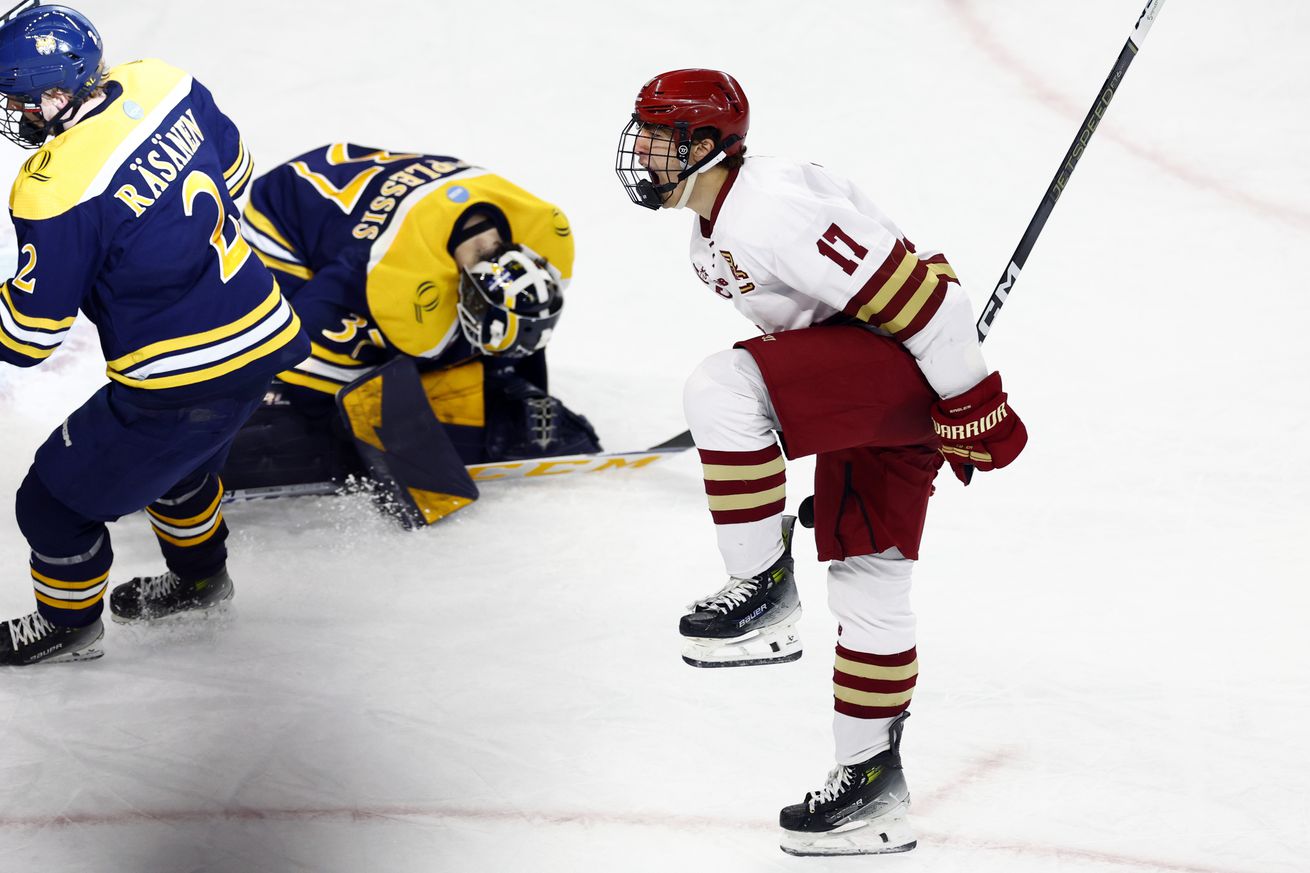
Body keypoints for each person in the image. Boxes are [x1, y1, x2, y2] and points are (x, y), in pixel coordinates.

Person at [615, 69, 1027, 855]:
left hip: (905, 362)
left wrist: (974, 400)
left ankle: (761, 589)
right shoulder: (711, 232)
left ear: (705, 146)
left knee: (723, 385)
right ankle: (870, 788)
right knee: (870, 579)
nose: (643, 153)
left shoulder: (770, 211)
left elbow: (925, 304)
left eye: (659, 139)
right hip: (870, 388)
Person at [0, 2, 309, 665]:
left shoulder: (52, 187)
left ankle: (68, 627)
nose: (17, 113)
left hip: (179, 378)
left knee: (50, 504)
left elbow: (28, 337)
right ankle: (201, 581)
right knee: (183, 472)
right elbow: (237, 172)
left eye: (22, 100)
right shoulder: (161, 82)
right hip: (263, 335)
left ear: (55, 95)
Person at [222, 143, 599, 502]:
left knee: (462, 340)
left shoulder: (537, 229)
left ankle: (498, 399)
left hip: (378, 197)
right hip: (281, 225)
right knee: (313, 385)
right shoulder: (380, 274)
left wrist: (520, 381)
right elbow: (299, 353)